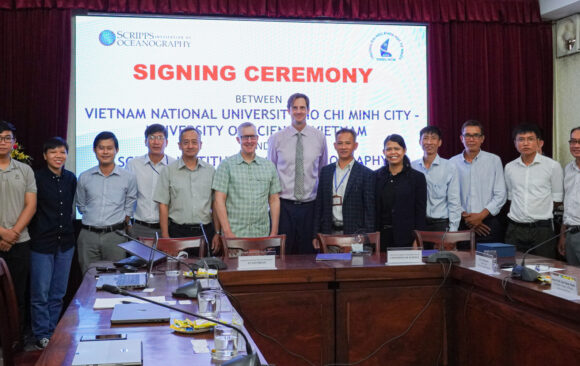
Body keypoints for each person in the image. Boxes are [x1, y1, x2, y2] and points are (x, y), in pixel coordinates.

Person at [28, 137, 76, 349]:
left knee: (58, 293)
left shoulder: (71, 178)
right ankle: (41, 334)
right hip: (42, 243)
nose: (59, 156)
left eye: (62, 152)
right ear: (45, 155)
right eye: (53, 152)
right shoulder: (36, 178)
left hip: (65, 242)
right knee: (40, 293)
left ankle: (53, 330)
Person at [268, 93, 328, 254]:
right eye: (295, 107)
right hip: (284, 207)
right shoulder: (276, 138)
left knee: (309, 257)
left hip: (311, 207)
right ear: (288, 110)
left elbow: (323, 172)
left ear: (308, 110)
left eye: (302, 107)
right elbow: (271, 174)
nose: (299, 111)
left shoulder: (319, 138)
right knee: (283, 256)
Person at [75, 131, 137, 273]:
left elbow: (129, 208)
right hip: (88, 236)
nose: (105, 152)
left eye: (109, 148)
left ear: (117, 150)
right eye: (101, 148)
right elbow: (81, 206)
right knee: (88, 278)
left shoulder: (128, 177)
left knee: (115, 277)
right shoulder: (84, 177)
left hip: (115, 236)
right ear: (94, 150)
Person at [153, 126, 218, 253]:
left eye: (194, 142)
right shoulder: (169, 170)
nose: (190, 146)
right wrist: (166, 238)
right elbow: (163, 205)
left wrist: (217, 232)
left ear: (200, 144)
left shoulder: (210, 171)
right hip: (178, 232)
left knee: (204, 271)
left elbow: (215, 205)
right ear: (179, 145)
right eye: (186, 142)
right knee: (178, 271)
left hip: (205, 231)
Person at [213, 122, 281, 241]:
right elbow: (219, 200)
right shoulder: (226, 165)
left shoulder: (269, 166)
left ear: (257, 139)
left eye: (252, 137)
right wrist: (227, 232)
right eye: (245, 137)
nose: (249, 141)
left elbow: (274, 200)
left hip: (261, 235)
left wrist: (274, 232)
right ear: (238, 139)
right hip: (234, 235)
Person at [504, 123, 563, 258]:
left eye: (530, 139)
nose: (525, 143)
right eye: (521, 139)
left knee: (544, 271)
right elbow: (511, 197)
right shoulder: (509, 167)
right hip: (515, 228)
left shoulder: (553, 166)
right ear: (515, 143)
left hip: (542, 229)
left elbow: (557, 199)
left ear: (540, 142)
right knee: (512, 269)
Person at [0, 120, 37, 332]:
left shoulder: (25, 170)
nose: (3, 142)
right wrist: (2, 233)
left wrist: (12, 234)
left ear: (14, 142)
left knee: (18, 295)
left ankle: (16, 340)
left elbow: (30, 205)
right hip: (5, 237)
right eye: (0, 138)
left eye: (7, 138)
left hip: (20, 243)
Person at [313, 128, 375, 243]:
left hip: (356, 236)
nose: (343, 147)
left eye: (348, 143)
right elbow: (319, 206)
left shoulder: (366, 174)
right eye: (340, 143)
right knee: (329, 262)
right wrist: (316, 234)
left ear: (355, 145)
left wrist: (368, 238)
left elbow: (369, 210)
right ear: (335, 145)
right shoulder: (326, 171)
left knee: (356, 262)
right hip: (328, 234)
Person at [450, 120, 507, 243]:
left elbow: (500, 194)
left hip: (488, 224)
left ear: (482, 139)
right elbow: (450, 196)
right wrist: (468, 219)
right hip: (462, 223)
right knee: (462, 262)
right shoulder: (452, 163)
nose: (471, 139)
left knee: (491, 261)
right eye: (468, 135)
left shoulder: (494, 160)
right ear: (461, 138)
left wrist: (480, 217)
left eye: (476, 135)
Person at [375, 134, 426, 250]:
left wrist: (418, 239)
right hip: (381, 239)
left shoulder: (417, 178)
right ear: (384, 152)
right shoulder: (376, 176)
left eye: (397, 149)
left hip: (407, 238)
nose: (393, 152)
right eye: (389, 149)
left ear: (404, 151)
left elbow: (420, 212)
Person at [126, 124, 175, 238]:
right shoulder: (133, 164)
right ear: (145, 141)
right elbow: (125, 195)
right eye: (152, 137)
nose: (156, 142)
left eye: (160, 138)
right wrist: (127, 222)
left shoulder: (174, 165)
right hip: (139, 227)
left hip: (167, 228)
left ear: (166, 142)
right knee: (137, 257)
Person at [412, 126, 461, 233]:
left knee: (441, 251)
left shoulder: (449, 166)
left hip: (441, 224)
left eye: (433, 138)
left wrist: (453, 230)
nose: (429, 142)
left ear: (439, 142)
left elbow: (454, 201)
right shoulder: (412, 166)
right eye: (425, 138)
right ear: (420, 142)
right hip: (418, 223)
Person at [559, 126, 580, 265]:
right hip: (571, 234)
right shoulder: (568, 169)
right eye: (573, 141)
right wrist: (563, 235)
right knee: (574, 280)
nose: (576, 145)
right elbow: (568, 205)